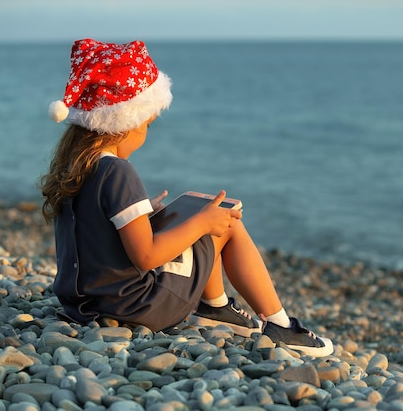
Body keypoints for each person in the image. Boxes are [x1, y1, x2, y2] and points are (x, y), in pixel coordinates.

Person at [41, 38, 333, 357]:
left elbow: (91, 229)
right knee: (226, 224)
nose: (146, 133)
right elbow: (147, 258)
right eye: (147, 125)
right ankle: (280, 325)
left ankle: (216, 307)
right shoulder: (117, 172)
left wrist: (146, 213)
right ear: (125, 122)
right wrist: (202, 223)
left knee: (198, 224)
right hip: (135, 305)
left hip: (84, 301)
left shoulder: (77, 166)